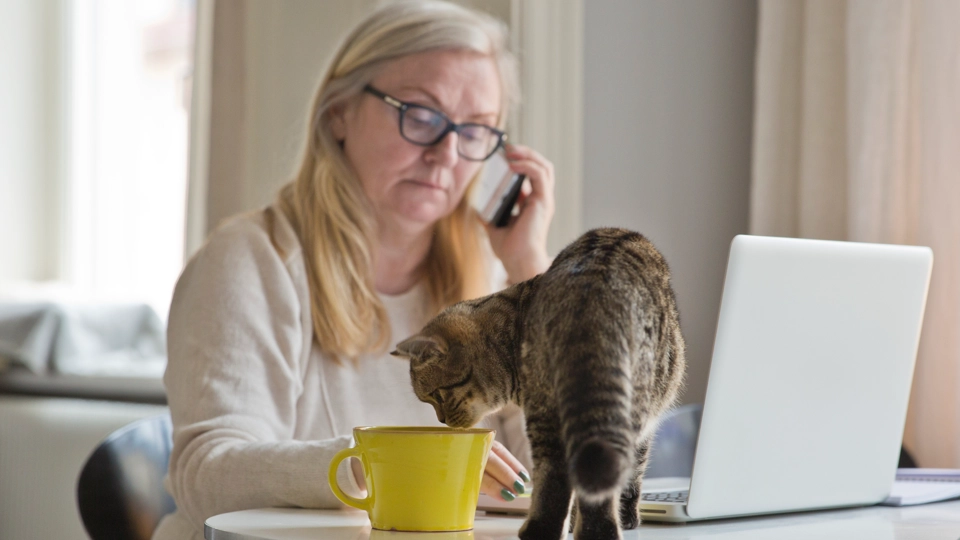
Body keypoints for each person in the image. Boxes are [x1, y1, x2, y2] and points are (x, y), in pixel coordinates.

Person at [152, 1, 555, 539]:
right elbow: (207, 475)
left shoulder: (485, 282)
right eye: (421, 114)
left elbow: (562, 474)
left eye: (476, 130)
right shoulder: (250, 263)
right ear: (340, 113)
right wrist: (382, 463)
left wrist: (531, 274)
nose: (447, 154)